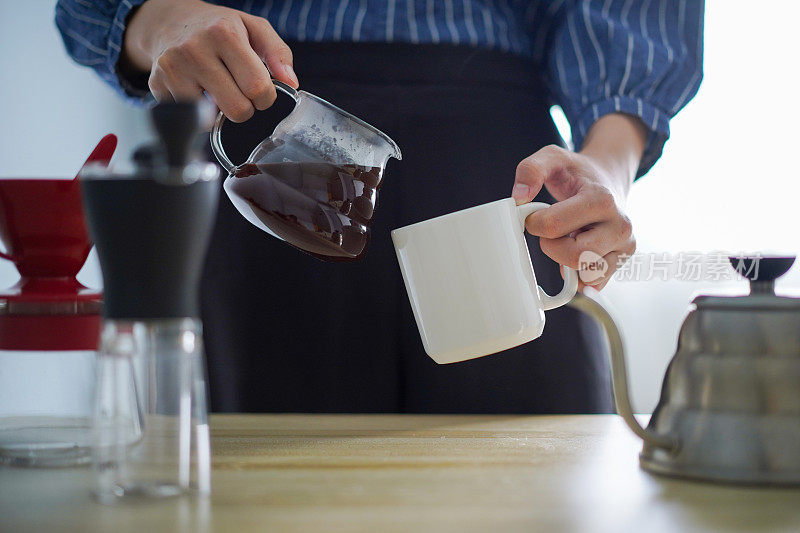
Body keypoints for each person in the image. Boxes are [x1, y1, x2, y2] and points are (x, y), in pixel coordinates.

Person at [56, 0, 703, 414]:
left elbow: (637, 20)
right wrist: (160, 20)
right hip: (278, 145)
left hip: (497, 175)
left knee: (522, 491)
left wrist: (605, 172)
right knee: (276, 497)